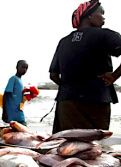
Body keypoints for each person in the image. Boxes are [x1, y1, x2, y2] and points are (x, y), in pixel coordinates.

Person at [49, 0, 121, 134]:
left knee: (65, 146)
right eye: (101, 13)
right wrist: (114, 76)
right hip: (96, 102)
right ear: (89, 15)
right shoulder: (106, 35)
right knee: (92, 147)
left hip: (67, 103)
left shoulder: (63, 42)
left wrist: (69, 86)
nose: (104, 17)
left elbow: (53, 75)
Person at [2, 60, 28, 125]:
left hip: (19, 111)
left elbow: (18, 96)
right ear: (17, 67)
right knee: (24, 128)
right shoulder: (13, 79)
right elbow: (5, 95)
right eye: (22, 67)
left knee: (20, 133)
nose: (24, 69)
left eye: (26, 68)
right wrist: (4, 112)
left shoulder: (20, 81)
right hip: (12, 114)